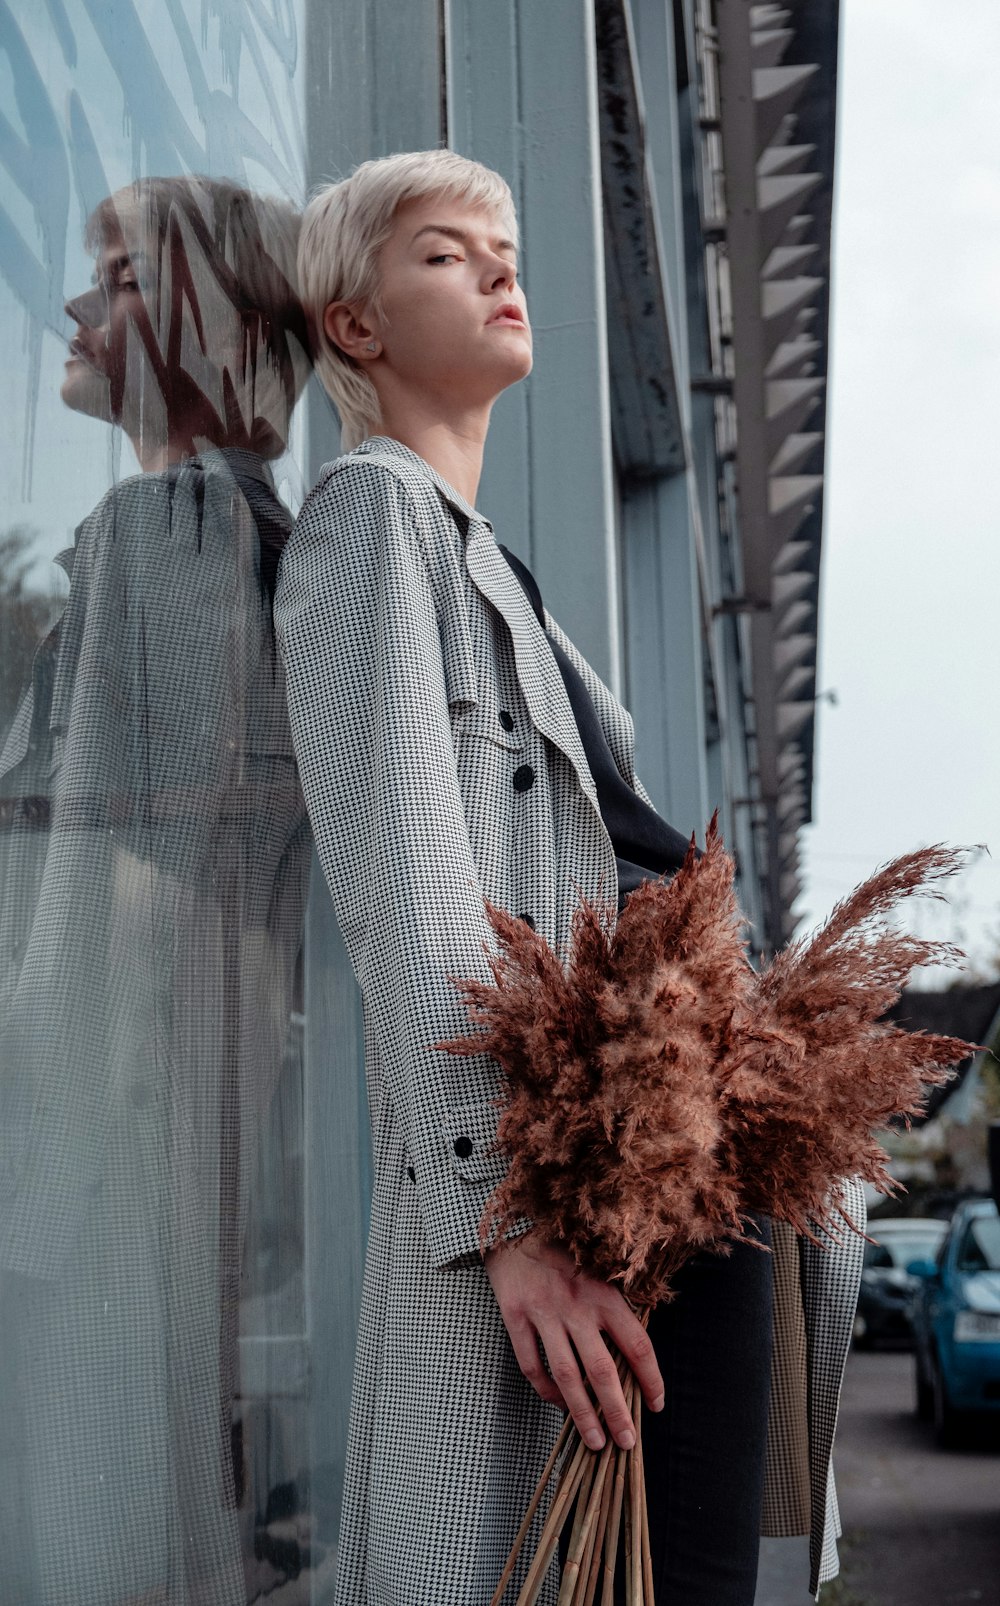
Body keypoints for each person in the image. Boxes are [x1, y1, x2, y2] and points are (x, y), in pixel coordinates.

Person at [276, 149, 864, 1605]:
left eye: (507, 245)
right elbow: (406, 884)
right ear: (353, 323)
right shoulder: (371, 522)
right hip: (563, 1254)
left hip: (671, 1229)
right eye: (442, 252)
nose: (496, 267)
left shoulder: (505, 583)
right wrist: (513, 1221)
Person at [0, 175, 313, 1604]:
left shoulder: (176, 532)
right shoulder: (201, 534)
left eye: (120, 277)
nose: (75, 306)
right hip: (126, 1160)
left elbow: (155, 894)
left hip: (96, 1169)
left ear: (202, 321)